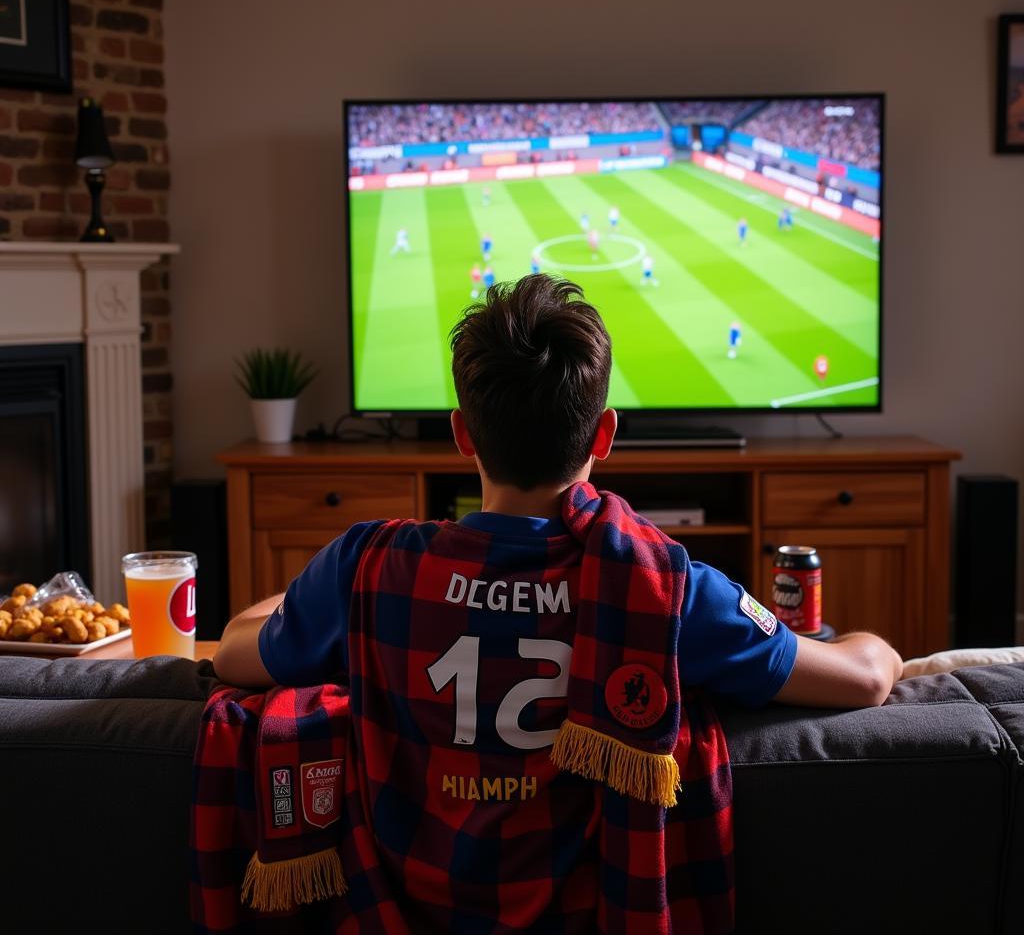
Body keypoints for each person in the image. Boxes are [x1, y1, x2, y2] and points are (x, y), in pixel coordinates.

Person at [215, 276, 902, 929]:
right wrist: (878, 643)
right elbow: (867, 679)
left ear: (461, 435)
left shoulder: (363, 567)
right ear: (604, 434)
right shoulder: (664, 587)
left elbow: (233, 656)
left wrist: (303, 593)